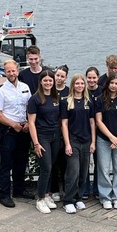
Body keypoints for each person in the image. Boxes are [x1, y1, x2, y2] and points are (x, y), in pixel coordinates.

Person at [0, 60, 33, 208]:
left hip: (23, 129)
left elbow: (30, 107)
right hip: (8, 131)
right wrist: (12, 124)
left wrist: (28, 122)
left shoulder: (25, 87)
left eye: (13, 70)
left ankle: (19, 189)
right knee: (6, 164)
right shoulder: (0, 91)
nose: (11, 73)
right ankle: (4, 195)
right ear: (5, 72)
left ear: (17, 70)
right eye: (8, 71)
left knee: (21, 161)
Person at [61, 74, 96, 214]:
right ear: (73, 85)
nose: (80, 86)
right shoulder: (66, 102)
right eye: (77, 83)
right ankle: (68, 200)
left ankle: (78, 197)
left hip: (86, 141)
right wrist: (67, 144)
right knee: (73, 171)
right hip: (73, 141)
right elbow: (64, 124)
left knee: (83, 172)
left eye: (82, 83)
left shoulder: (89, 101)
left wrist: (93, 142)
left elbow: (92, 122)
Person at [27, 70, 61, 213]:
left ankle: (47, 195)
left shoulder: (55, 97)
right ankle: (40, 199)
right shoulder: (34, 99)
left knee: (51, 166)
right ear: (41, 82)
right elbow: (31, 123)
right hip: (42, 137)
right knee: (46, 168)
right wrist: (36, 143)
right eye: (45, 80)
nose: (48, 83)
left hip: (55, 136)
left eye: (50, 80)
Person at [95, 73, 117, 209]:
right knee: (103, 169)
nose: (114, 86)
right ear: (108, 84)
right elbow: (98, 121)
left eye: (116, 83)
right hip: (104, 139)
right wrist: (111, 137)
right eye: (112, 83)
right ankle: (105, 197)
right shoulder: (100, 99)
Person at [49, 65, 70, 202]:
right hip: (52, 130)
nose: (59, 78)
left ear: (66, 77)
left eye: (62, 76)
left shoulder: (69, 91)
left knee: (65, 163)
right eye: (57, 75)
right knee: (53, 162)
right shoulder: (49, 90)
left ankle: (67, 189)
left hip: (66, 132)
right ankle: (54, 190)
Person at [83, 66, 102, 198]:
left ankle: (97, 189)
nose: (91, 80)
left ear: (98, 78)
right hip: (85, 130)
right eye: (89, 77)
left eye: (94, 77)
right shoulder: (82, 90)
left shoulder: (103, 91)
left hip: (100, 132)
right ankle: (84, 190)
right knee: (84, 162)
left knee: (99, 162)